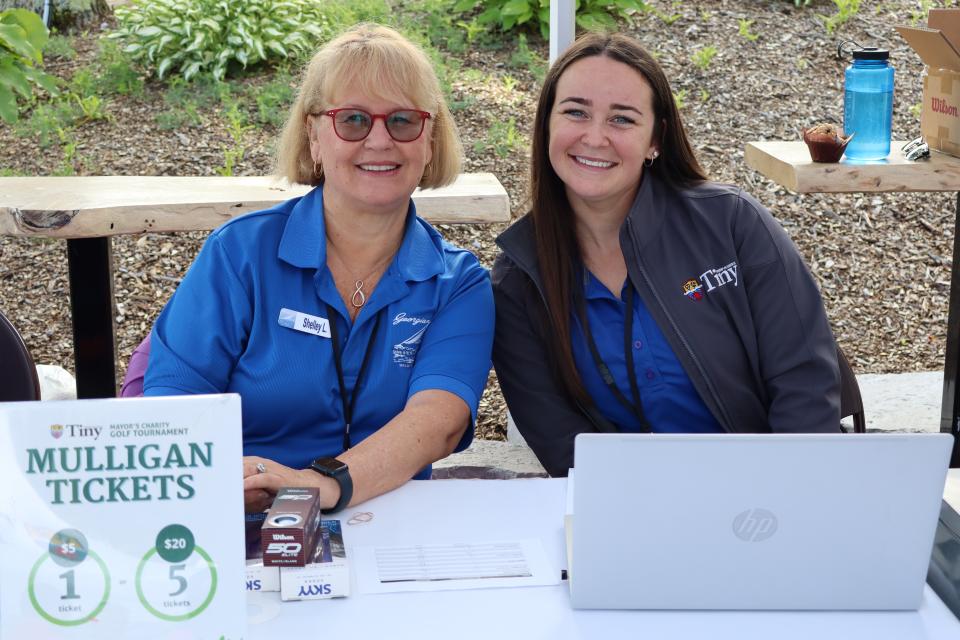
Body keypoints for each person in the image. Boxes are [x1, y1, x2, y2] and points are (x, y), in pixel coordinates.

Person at [142, 24, 494, 512]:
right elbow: (173, 406)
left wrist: (320, 484)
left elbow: (439, 420)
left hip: (392, 521)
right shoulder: (240, 254)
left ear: (429, 139)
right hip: (243, 515)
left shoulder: (458, 283)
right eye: (351, 119)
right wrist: (228, 485)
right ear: (313, 135)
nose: (379, 140)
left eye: (403, 121)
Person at [492, 33, 840, 478]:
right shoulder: (519, 278)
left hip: (767, 496)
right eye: (575, 112)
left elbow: (804, 381)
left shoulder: (732, 223)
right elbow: (562, 445)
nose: (594, 137)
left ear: (655, 139)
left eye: (622, 119)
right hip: (626, 508)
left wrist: (777, 504)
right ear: (546, 126)